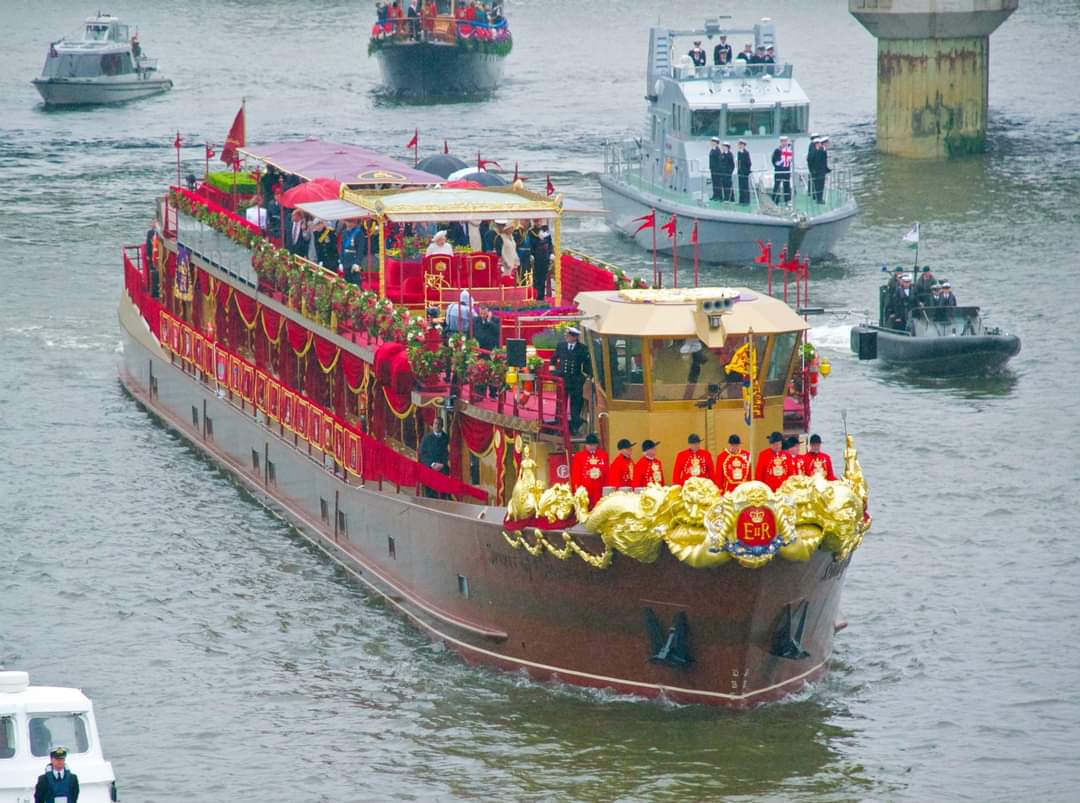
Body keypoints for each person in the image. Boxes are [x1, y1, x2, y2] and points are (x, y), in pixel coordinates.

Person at [550, 326, 591, 434]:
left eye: (568, 335)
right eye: (566, 335)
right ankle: (558, 426)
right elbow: (553, 359)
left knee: (576, 405)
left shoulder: (582, 348)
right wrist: (553, 373)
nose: (566, 337)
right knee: (560, 404)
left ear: (574, 337)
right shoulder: (561, 346)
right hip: (563, 379)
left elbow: (587, 365)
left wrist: (587, 376)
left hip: (576, 381)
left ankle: (575, 427)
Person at [571, 433, 609, 507]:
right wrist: (577, 490)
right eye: (589, 445)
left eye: (594, 445)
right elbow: (576, 474)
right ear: (585, 445)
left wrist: (602, 474)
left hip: (599, 488)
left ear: (597, 445)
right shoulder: (579, 456)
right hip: (585, 489)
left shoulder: (603, 455)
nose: (592, 447)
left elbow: (607, 472)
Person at [418, 418, 450, 498]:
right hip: (430, 467)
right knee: (430, 491)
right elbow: (422, 454)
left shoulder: (447, 438)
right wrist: (432, 464)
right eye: (435, 423)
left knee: (444, 490)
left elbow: (448, 453)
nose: (437, 426)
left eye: (439, 424)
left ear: (442, 426)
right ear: (433, 425)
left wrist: (442, 464)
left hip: (443, 468)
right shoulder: (426, 438)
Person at [527, 220, 552, 300]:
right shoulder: (531, 232)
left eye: (539, 221)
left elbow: (550, 243)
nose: (538, 223)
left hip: (545, 257)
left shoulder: (546, 230)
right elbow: (530, 244)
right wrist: (531, 254)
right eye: (536, 222)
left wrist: (551, 253)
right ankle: (536, 296)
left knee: (543, 278)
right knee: (536, 279)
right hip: (536, 259)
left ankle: (541, 297)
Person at [771, 136, 793, 204]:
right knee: (777, 185)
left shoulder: (789, 150)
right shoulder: (777, 150)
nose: (784, 143)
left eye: (785, 141)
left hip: (786, 170)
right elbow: (773, 160)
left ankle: (787, 200)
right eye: (783, 141)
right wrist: (778, 166)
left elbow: (790, 160)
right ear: (780, 142)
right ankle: (775, 200)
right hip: (779, 171)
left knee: (787, 185)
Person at [736, 140, 752, 205]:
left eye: (741, 144)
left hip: (745, 172)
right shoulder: (739, 153)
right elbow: (738, 162)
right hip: (740, 172)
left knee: (745, 187)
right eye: (739, 144)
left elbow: (749, 163)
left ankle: (746, 201)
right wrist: (738, 169)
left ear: (744, 145)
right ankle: (741, 200)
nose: (740, 146)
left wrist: (747, 170)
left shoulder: (746, 153)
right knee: (740, 186)